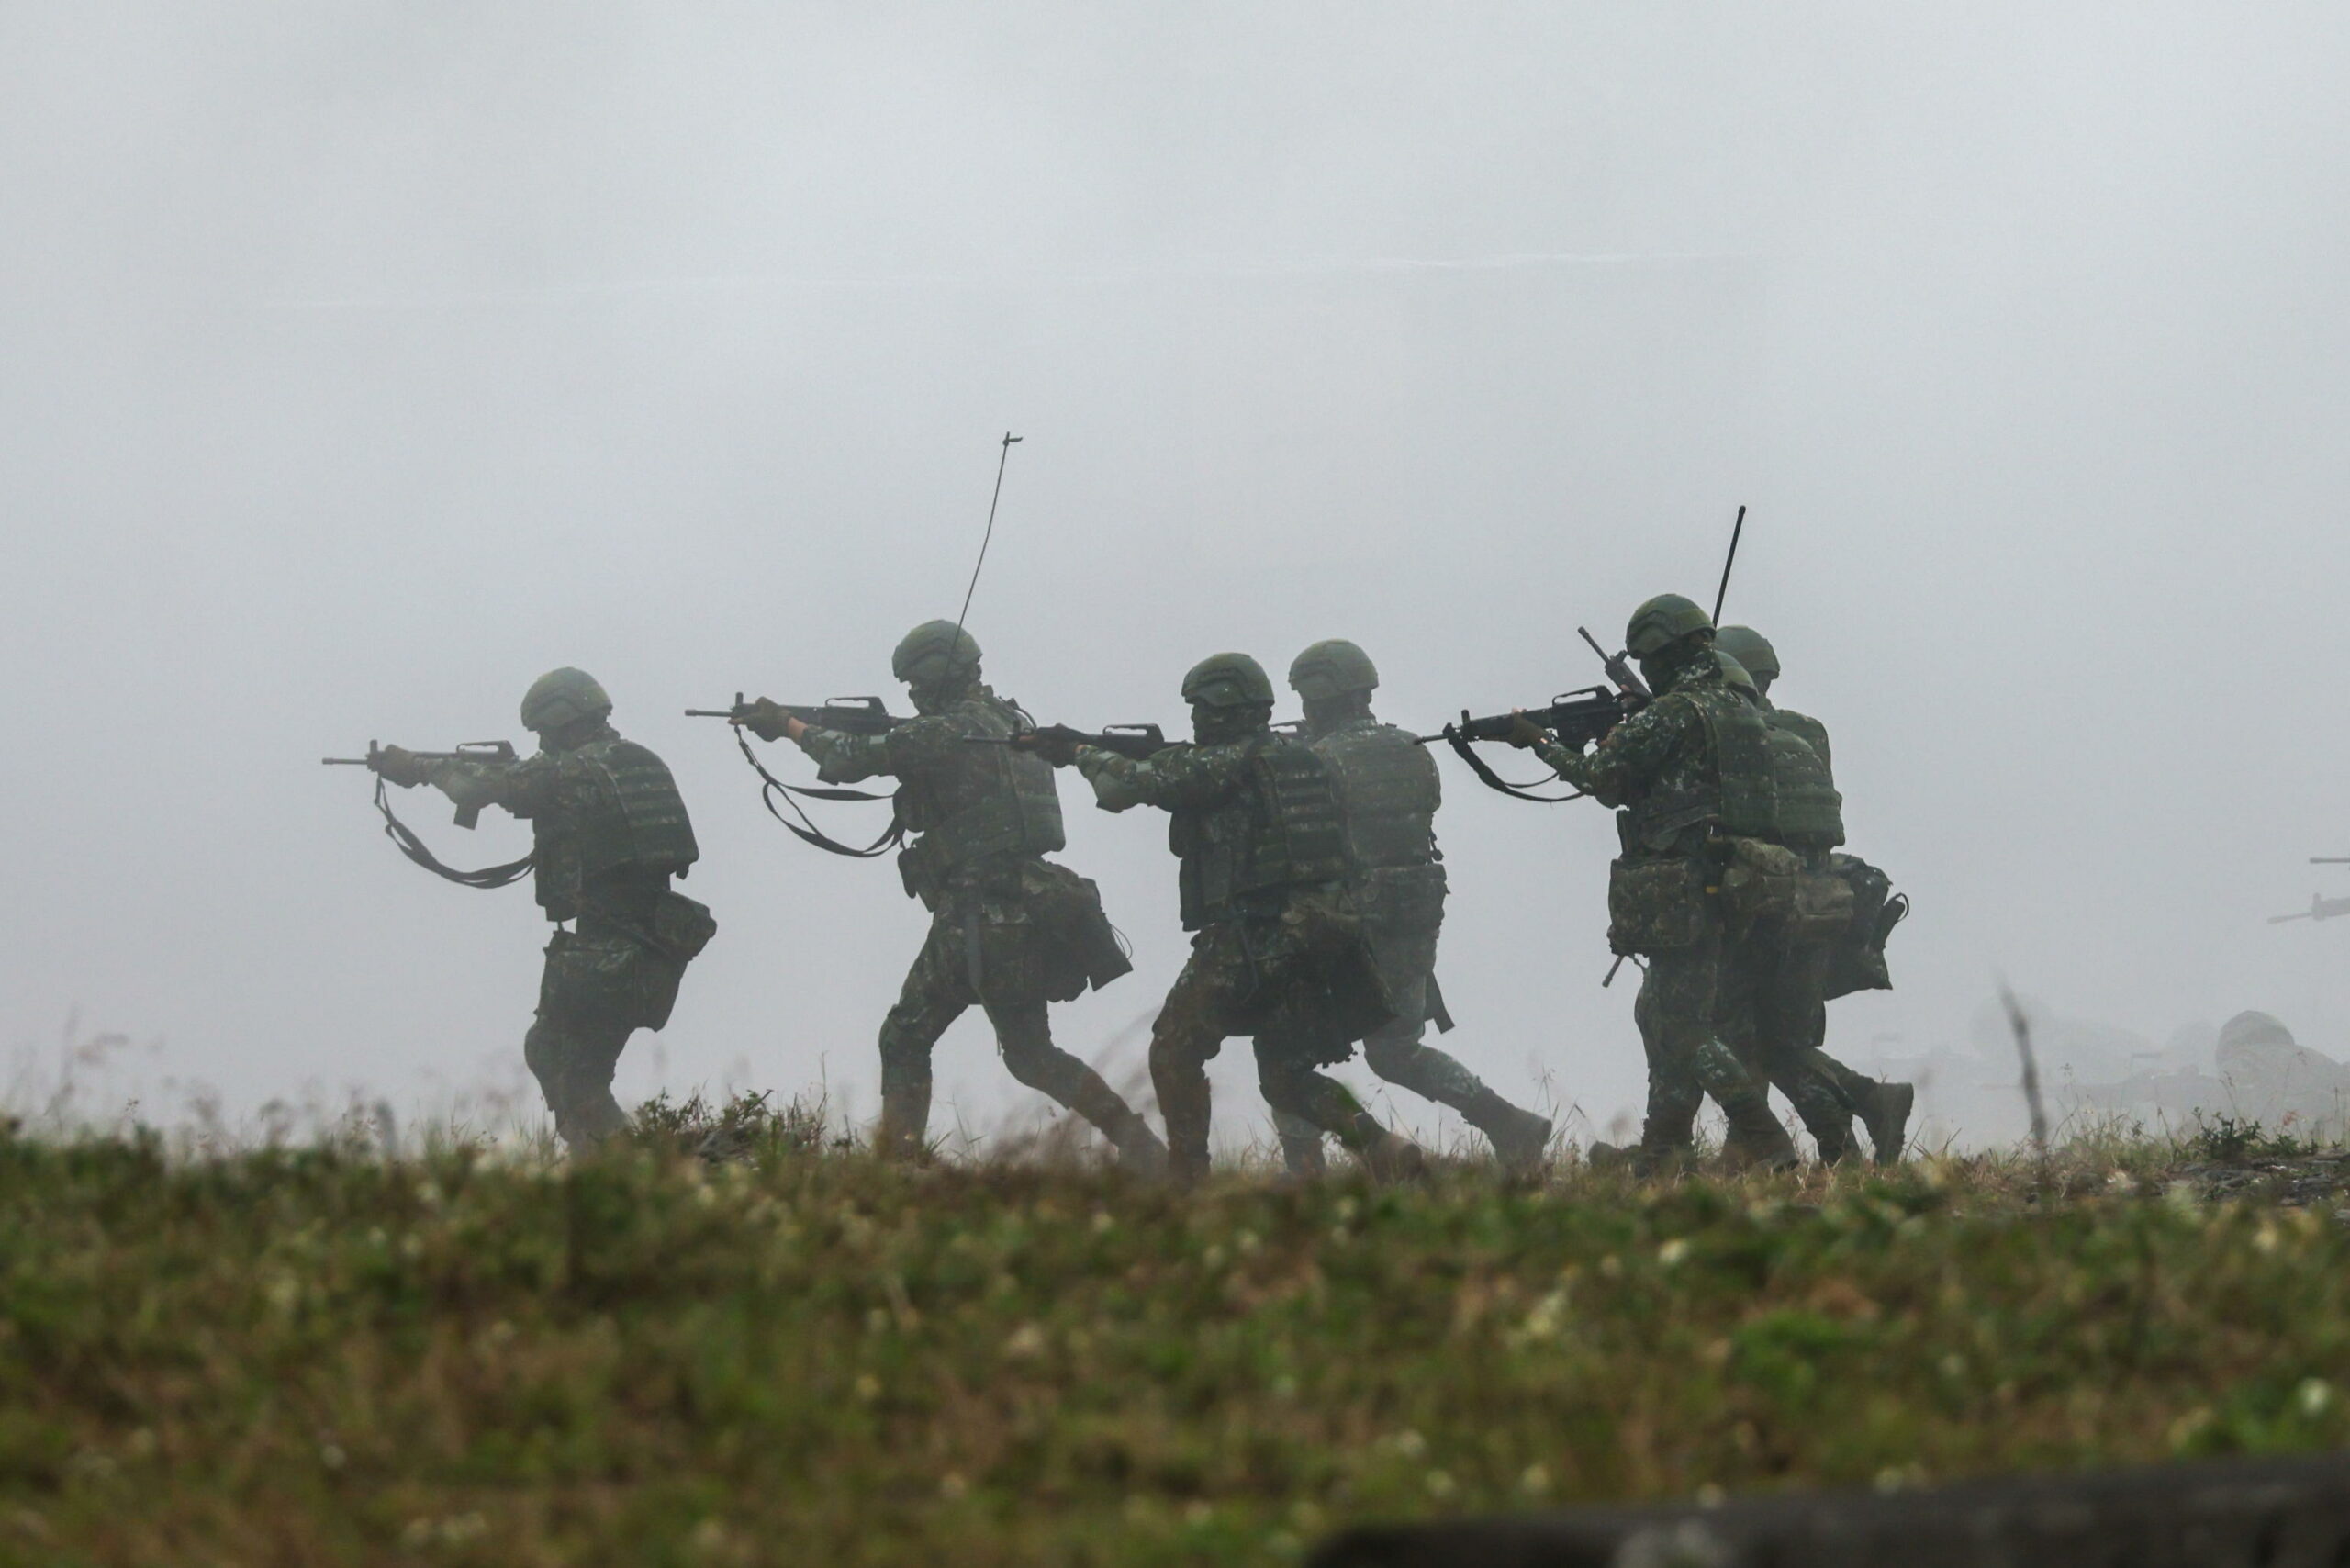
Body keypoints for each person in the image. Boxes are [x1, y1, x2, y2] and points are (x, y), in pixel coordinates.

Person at [735, 621, 1165, 1169]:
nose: (911, 694)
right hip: (1027, 904)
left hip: (977, 913)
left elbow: (847, 757)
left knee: (905, 1036)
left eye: (915, 681)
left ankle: (899, 1169)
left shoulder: (947, 730)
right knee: (1033, 1057)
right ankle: (1144, 1151)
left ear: (938, 672)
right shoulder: (1012, 723)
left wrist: (787, 725)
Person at [1018, 653, 1422, 1185]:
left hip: (1256, 935)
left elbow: (1123, 788)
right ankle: (1386, 1153)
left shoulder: (1222, 764)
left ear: (1224, 706)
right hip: (1322, 933)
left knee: (1174, 1049)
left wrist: (1077, 752)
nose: (1195, 720)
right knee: (1287, 1079)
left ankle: (1187, 1182)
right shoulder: (1300, 757)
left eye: (1201, 709)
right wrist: (1100, 746)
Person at [1497, 595, 1823, 1170]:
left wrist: (1540, 742)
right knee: (1666, 1014)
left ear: (1662, 654)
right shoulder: (1737, 708)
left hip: (1686, 888)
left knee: (1680, 1023)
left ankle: (1763, 1136)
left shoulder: (1677, 712)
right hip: (1739, 883)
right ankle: (1663, 1151)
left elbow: (1603, 780)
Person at [371, 667, 715, 1151]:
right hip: (650, 945)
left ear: (560, 720)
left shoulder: (573, 769)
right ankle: (618, 1166)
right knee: (566, 1059)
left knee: (566, 1068)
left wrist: (422, 769)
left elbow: (473, 792)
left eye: (542, 732)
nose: (541, 742)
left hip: (608, 951)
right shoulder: (636, 760)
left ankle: (621, 1173)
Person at [1269, 639, 1552, 1172]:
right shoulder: (1410, 749)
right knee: (1397, 1050)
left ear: (1319, 697)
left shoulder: (1315, 761)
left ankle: (1304, 1170)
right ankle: (1509, 1123)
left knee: (1288, 1049)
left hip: (1345, 924)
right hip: (1414, 917)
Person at [1715, 624, 1914, 1163]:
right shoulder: (1807, 730)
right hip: (1819, 899)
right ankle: (1843, 1143)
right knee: (1784, 1042)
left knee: (1739, 1032)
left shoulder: (1733, 732)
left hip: (1763, 901)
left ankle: (1848, 1114)